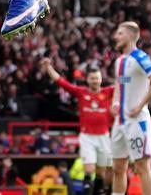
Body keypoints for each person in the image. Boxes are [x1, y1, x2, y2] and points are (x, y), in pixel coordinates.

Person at [39, 59, 114, 195]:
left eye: (97, 78)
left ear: (101, 79)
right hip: (87, 137)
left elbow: (125, 85)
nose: (95, 81)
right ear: (87, 79)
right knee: (89, 169)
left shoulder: (109, 92)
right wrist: (49, 67)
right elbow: (61, 82)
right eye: (92, 78)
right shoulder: (81, 92)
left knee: (101, 174)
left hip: (104, 136)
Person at [109, 22, 151, 195]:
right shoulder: (119, 61)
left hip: (137, 121)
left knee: (142, 167)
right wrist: (115, 102)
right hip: (120, 122)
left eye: (120, 33)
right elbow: (121, 83)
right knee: (118, 168)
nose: (115, 37)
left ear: (131, 36)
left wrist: (141, 104)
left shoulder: (140, 58)